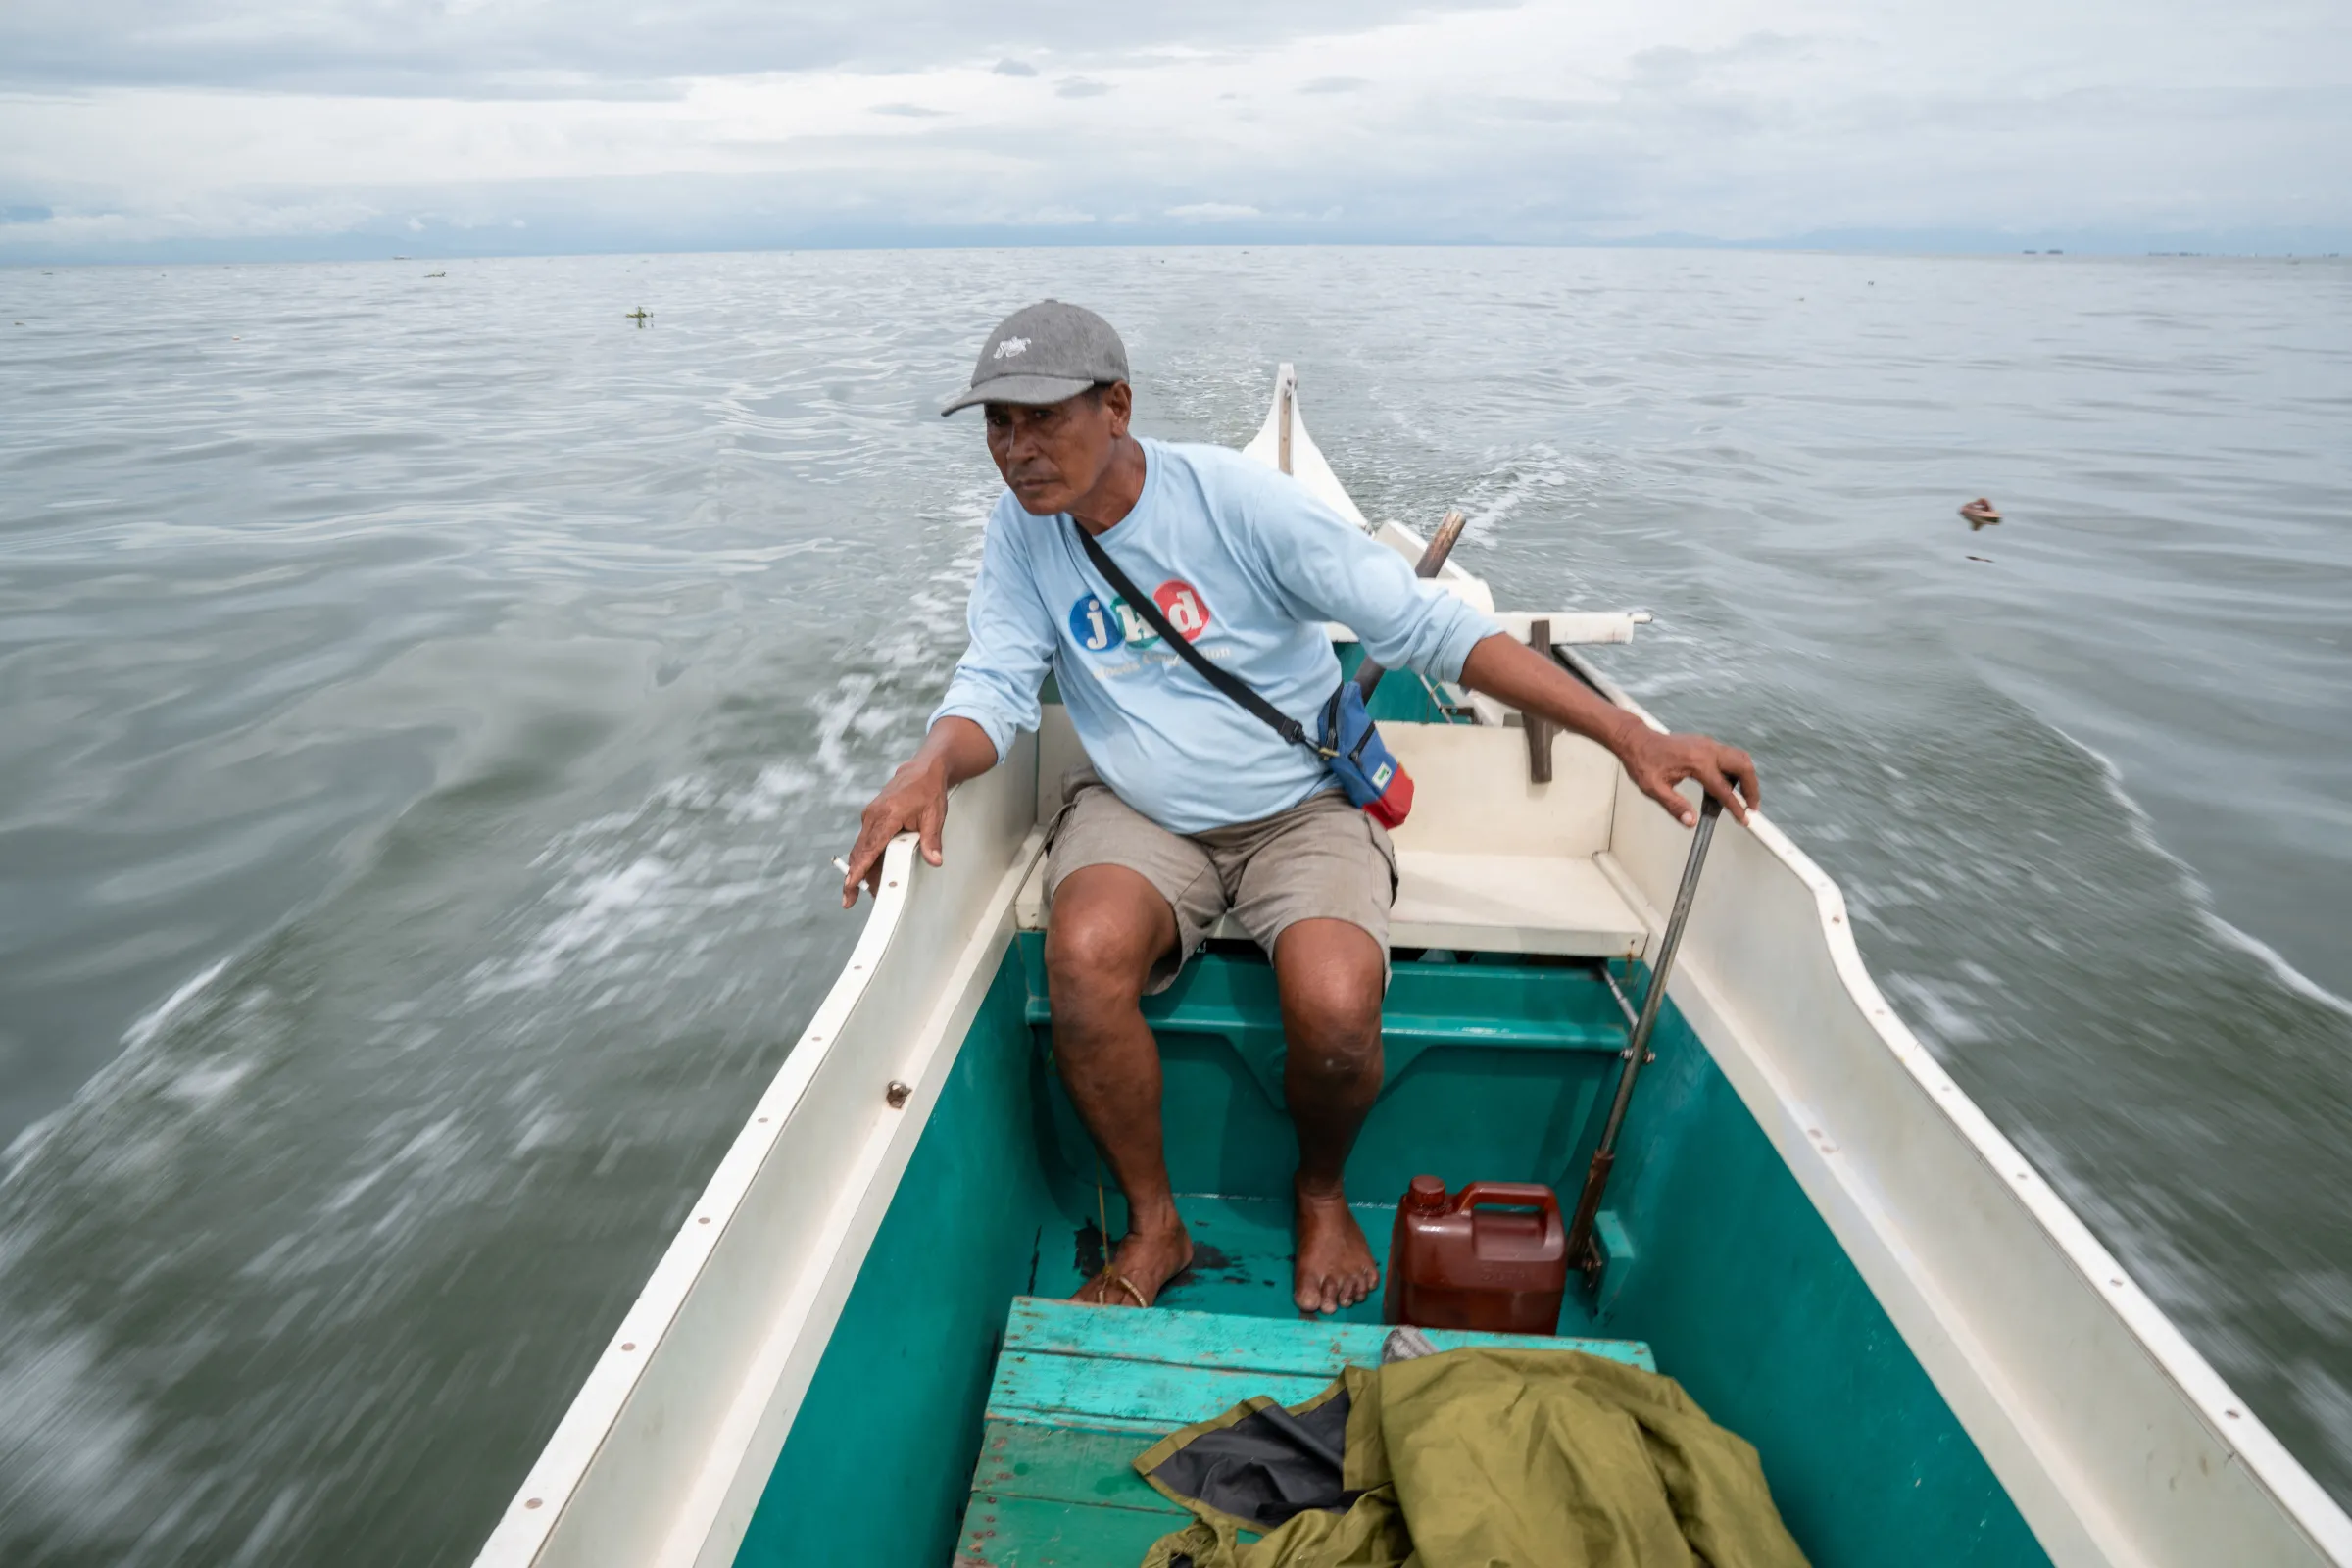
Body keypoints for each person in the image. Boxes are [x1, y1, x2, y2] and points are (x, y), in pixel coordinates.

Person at [840, 301, 1758, 1316]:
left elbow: (1429, 629)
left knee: (1332, 1004)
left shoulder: (1238, 503)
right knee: (1082, 953)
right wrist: (929, 764)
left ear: (1118, 406)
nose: (1017, 451)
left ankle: (1320, 1190)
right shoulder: (1022, 535)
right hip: (1140, 809)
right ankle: (1157, 1224)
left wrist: (1627, 735)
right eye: (997, 425)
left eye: (1042, 418)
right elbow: (995, 684)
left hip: (1300, 805)